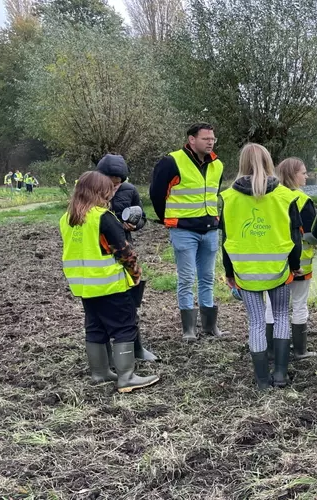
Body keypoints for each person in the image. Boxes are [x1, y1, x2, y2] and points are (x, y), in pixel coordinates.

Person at [59, 171, 159, 393]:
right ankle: (126, 377)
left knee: (95, 328)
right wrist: (135, 274)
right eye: (108, 190)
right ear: (99, 192)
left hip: (84, 286)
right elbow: (124, 251)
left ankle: (100, 373)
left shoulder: (67, 219)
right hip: (110, 285)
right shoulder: (103, 217)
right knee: (125, 326)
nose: (111, 194)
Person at [220, 143, 303, 389]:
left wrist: (229, 273)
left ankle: (262, 381)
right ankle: (280, 374)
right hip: (278, 270)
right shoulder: (287, 196)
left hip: (245, 273)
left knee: (256, 323)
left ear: (241, 163)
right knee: (280, 317)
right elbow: (295, 237)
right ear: (269, 162)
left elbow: (226, 240)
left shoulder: (228, 198)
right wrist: (295, 266)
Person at [150, 123, 226, 341]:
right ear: (192, 140)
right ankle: (189, 329)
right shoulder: (171, 162)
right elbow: (156, 193)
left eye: (213, 138)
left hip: (210, 229)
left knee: (207, 277)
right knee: (186, 278)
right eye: (205, 139)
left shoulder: (218, 165)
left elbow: (214, 193)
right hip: (183, 230)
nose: (210, 142)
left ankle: (210, 327)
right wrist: (167, 219)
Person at [96, 154, 158, 363]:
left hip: (124, 248)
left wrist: (135, 224)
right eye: (111, 184)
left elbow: (142, 218)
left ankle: (137, 348)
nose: (115, 188)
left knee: (130, 301)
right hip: (99, 252)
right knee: (102, 304)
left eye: (118, 184)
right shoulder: (90, 191)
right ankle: (107, 354)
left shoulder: (129, 191)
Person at [264, 157, 317, 360]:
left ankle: (270, 349)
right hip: (301, 262)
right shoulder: (303, 200)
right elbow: (311, 234)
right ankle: (300, 350)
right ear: (293, 175)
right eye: (303, 173)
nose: (306, 176)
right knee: (299, 304)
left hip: (274, 262)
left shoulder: (270, 197)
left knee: (272, 306)